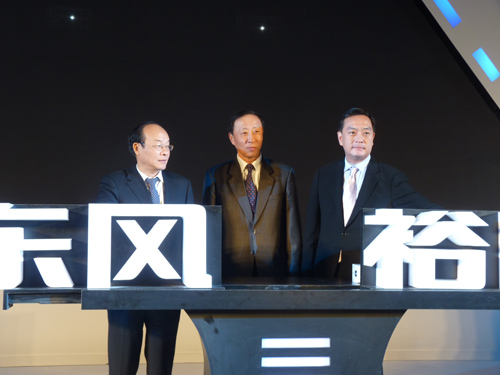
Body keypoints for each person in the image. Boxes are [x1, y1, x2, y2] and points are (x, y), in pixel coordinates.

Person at [95, 121, 194, 375]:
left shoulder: (182, 184)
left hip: (167, 289)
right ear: (137, 148)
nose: (165, 151)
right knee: (122, 365)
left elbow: (190, 235)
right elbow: (105, 229)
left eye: (168, 146)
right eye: (158, 145)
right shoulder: (114, 183)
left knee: (161, 366)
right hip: (126, 290)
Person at [302, 108, 440, 280]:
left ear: (373, 138)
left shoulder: (390, 177)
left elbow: (424, 209)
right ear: (340, 138)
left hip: (368, 274)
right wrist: (304, 277)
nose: (359, 138)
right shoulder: (324, 174)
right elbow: (312, 231)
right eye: (352, 132)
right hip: (323, 271)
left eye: (366, 133)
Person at [203, 110, 302, 279]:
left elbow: (293, 233)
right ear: (232, 138)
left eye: (256, 131)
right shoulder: (216, 176)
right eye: (244, 133)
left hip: (274, 272)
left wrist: (293, 277)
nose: (251, 138)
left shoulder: (283, 174)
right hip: (230, 273)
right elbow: (209, 233)